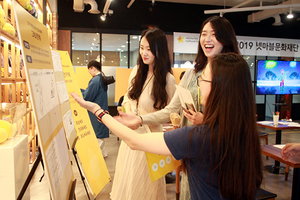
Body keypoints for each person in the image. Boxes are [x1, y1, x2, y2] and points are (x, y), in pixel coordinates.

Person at [71, 52, 264, 200]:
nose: (199, 83)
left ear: (217, 87)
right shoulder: (245, 134)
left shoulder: (199, 137)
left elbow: (134, 140)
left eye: (203, 79)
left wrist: (98, 110)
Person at [114, 15, 240, 199]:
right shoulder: (191, 73)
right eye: (204, 34)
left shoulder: (235, 71)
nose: (207, 39)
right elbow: (172, 109)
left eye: (214, 34)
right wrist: (138, 118)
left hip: (220, 151)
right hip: (190, 149)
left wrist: (207, 120)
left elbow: (239, 117)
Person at [113, 28, 176, 200]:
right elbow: (127, 96)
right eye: (142, 47)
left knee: (145, 188)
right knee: (127, 183)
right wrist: (125, 109)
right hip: (129, 139)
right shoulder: (136, 71)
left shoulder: (168, 80)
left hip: (150, 142)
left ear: (159, 49)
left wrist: (141, 119)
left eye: (149, 48)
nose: (144, 53)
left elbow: (170, 112)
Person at [81, 60, 109, 158]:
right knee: (100, 135)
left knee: (97, 136)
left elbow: (87, 97)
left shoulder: (95, 80)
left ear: (93, 68)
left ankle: (98, 158)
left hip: (96, 112)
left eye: (89, 70)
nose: (89, 72)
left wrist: (79, 92)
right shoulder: (102, 79)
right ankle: (103, 155)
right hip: (102, 110)